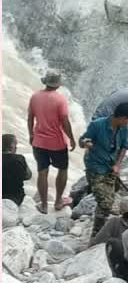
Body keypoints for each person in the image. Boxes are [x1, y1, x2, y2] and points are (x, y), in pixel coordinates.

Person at [81, 103, 128, 238]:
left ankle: (95, 196)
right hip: (95, 166)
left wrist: (118, 164)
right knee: (106, 203)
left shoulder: (123, 128)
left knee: (111, 194)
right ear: (121, 117)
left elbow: (124, 147)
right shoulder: (97, 125)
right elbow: (82, 140)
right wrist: (86, 143)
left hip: (110, 166)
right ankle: (96, 234)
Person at [27, 71, 75, 212]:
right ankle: (58, 201)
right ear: (58, 85)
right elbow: (65, 121)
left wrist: (31, 134)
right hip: (57, 143)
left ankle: (43, 204)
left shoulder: (35, 97)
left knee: (42, 172)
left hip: (39, 142)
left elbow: (30, 118)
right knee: (62, 169)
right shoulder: (60, 100)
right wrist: (71, 138)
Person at [2, 134, 32, 207]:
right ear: (12, 146)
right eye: (15, 144)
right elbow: (28, 176)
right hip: (17, 198)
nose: (16, 147)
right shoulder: (20, 158)